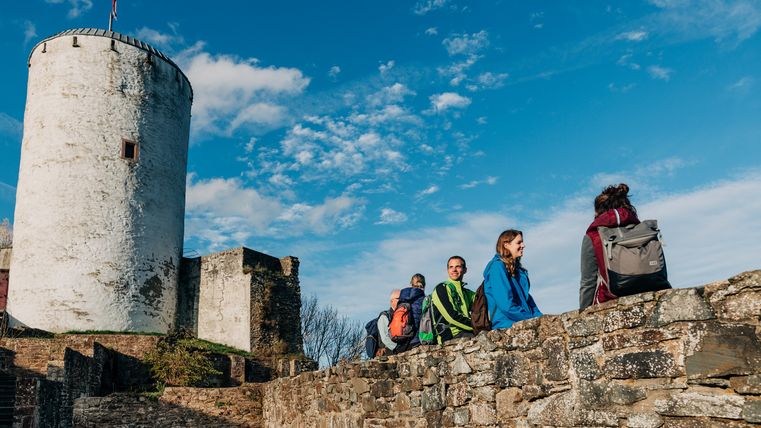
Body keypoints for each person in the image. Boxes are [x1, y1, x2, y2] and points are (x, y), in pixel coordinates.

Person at [579, 183, 670, 309]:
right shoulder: (647, 230)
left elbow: (588, 282)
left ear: (597, 211)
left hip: (609, 303)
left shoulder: (594, 236)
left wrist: (583, 313)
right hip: (655, 296)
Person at [483, 229, 542, 329]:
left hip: (522, 322)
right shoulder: (497, 267)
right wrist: (531, 319)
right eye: (519, 242)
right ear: (506, 245)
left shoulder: (518, 271)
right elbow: (506, 304)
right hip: (507, 325)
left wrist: (541, 319)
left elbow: (527, 299)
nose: (523, 245)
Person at [430, 256, 476, 343]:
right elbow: (451, 316)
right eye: (451, 267)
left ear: (465, 270)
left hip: (466, 332)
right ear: (448, 270)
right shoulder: (442, 288)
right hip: (450, 336)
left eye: (458, 266)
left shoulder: (467, 293)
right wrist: (475, 326)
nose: (454, 270)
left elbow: (484, 303)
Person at [397, 274, 426, 350]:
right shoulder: (423, 299)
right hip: (417, 340)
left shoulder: (402, 299)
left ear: (411, 284)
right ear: (424, 286)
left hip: (401, 339)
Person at [376, 289, 400, 355]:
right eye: (398, 298)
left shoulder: (401, 316)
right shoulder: (384, 316)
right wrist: (398, 348)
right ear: (392, 301)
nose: (401, 300)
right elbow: (384, 338)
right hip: (387, 355)